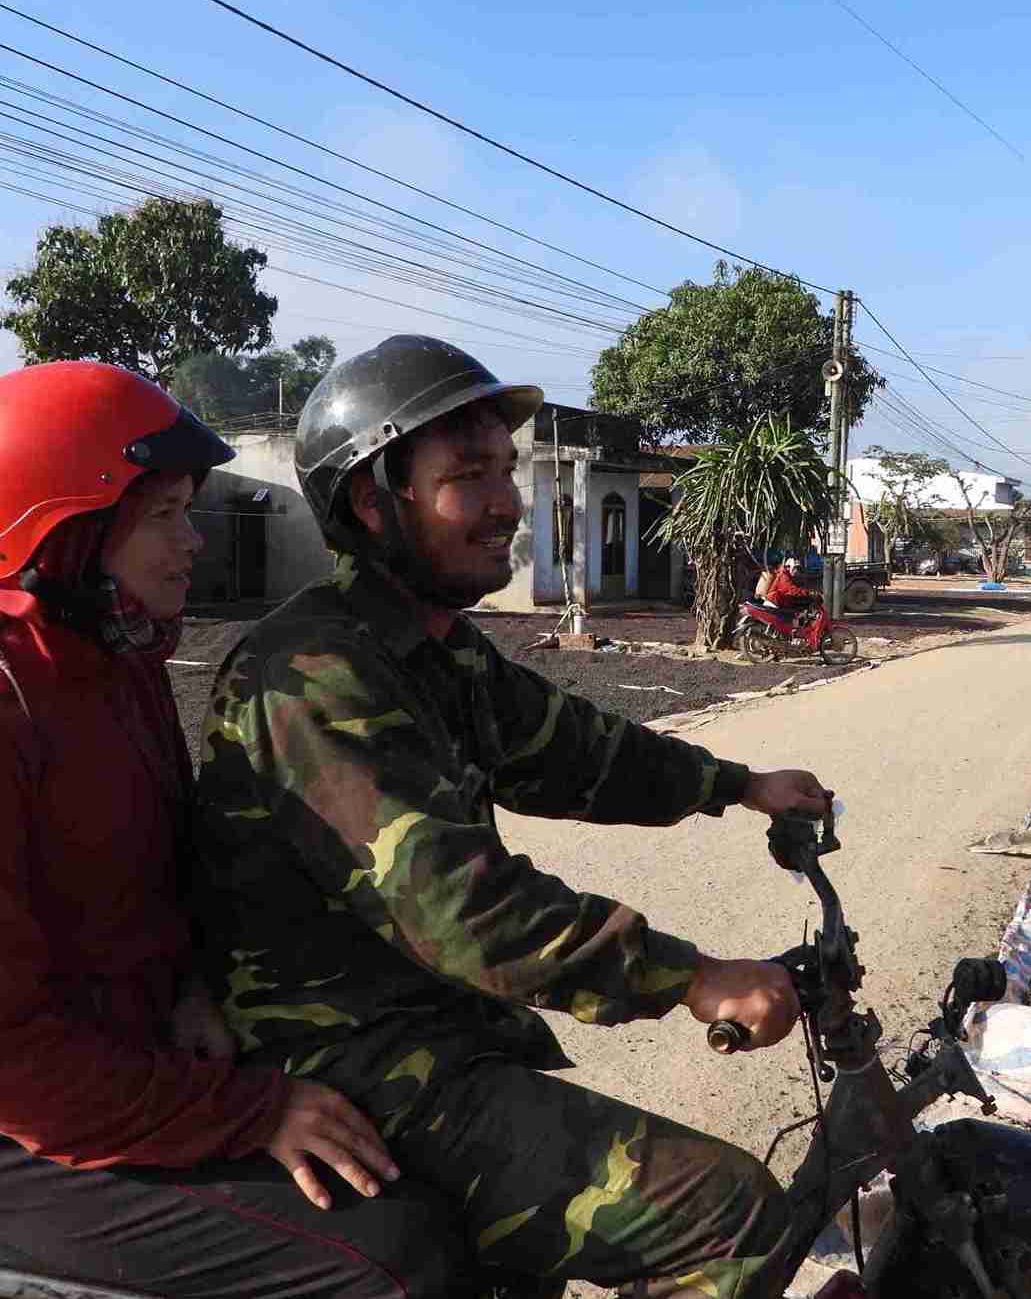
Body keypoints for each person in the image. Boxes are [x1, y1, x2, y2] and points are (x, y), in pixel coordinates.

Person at [192, 335, 833, 1299]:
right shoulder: (314, 673)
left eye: (506, 471)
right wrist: (690, 978)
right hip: (347, 1055)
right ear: (375, 501)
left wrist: (735, 783)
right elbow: (461, 909)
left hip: (425, 1027)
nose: (506, 503)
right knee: (725, 1213)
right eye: (468, 476)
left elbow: (571, 749)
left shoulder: (430, 647)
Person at [0, 362, 467, 1297]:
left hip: (129, 1057)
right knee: (395, 1264)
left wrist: (191, 983)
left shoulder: (115, 659)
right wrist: (249, 1113)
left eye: (189, 509)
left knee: (443, 1139)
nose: (192, 542)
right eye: (163, 516)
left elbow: (162, 868)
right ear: (62, 534)